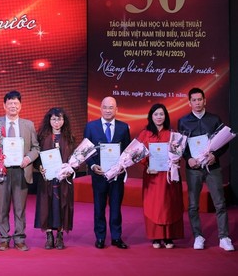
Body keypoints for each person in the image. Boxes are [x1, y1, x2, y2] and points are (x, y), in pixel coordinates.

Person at [177, 87, 234, 251]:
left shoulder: (214, 119)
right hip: (194, 169)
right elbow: (181, 146)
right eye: (194, 100)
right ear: (189, 103)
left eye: (200, 99)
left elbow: (225, 142)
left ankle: (224, 237)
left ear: (205, 101)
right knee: (193, 205)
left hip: (212, 167)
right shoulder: (183, 121)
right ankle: (198, 236)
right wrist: (188, 158)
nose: (197, 103)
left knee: (220, 203)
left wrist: (215, 155)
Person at [0, 90, 39, 252]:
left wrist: (28, 158)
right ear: (4, 105)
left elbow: (36, 148)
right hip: (2, 170)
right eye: (10, 103)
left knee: (20, 208)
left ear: (20, 106)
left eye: (16, 103)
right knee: (2, 208)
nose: (13, 106)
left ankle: (19, 238)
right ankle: (3, 238)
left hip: (21, 171)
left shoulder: (28, 125)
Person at [84, 96, 131, 249]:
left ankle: (116, 237)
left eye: (111, 107)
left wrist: (123, 165)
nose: (108, 110)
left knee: (116, 207)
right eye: (105, 107)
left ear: (116, 109)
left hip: (117, 176)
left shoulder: (124, 127)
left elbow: (127, 151)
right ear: (101, 108)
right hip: (99, 175)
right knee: (99, 208)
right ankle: (100, 237)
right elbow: (85, 151)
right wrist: (92, 166)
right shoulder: (91, 127)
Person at [137, 103, 184, 249]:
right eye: (156, 114)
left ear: (166, 116)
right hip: (152, 175)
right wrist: (146, 166)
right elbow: (138, 154)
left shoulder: (172, 134)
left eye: (161, 114)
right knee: (154, 205)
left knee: (169, 205)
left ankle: (169, 237)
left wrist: (175, 159)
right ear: (151, 116)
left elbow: (178, 154)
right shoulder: (145, 134)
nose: (159, 117)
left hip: (169, 176)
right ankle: (156, 237)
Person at [33, 107, 75, 250]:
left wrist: (70, 169)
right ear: (49, 120)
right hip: (47, 179)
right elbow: (37, 158)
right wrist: (40, 167)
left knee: (62, 205)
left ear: (64, 120)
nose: (57, 122)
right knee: (47, 206)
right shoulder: (42, 137)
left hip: (64, 180)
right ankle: (49, 235)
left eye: (60, 119)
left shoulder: (69, 137)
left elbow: (75, 159)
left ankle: (60, 236)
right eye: (54, 119)